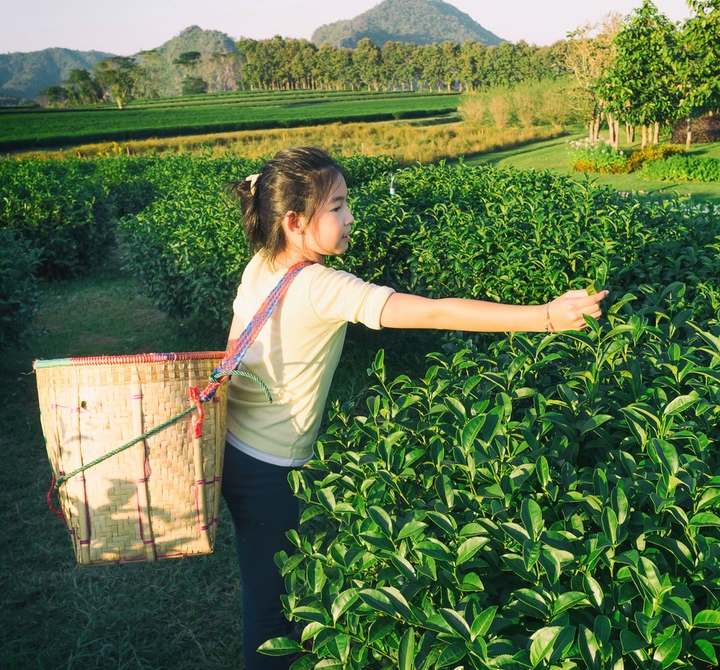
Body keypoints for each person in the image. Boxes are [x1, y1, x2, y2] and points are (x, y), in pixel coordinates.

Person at [221, 146, 608, 669]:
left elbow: (231, 350)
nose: (350, 217)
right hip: (269, 469)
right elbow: (434, 312)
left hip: (236, 447)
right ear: (293, 221)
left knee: (269, 586)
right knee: (271, 612)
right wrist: (544, 316)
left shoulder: (264, 262)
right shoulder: (319, 285)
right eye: (336, 206)